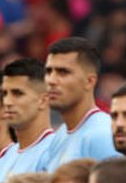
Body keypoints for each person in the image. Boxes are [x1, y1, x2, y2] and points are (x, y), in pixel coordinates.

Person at [45, 38, 115, 169]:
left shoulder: (103, 134)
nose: (51, 80)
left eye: (63, 72)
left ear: (89, 81)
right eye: (49, 71)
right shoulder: (60, 135)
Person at [2, 58, 57, 176]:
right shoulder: (6, 155)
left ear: (43, 100)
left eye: (18, 93)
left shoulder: (55, 152)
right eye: (4, 94)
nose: (7, 102)